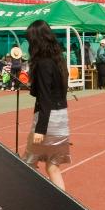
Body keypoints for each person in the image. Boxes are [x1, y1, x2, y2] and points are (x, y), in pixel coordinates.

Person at [21, 19, 71, 190]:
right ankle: (63, 205)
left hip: (46, 118)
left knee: (28, 163)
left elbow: (44, 97)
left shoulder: (42, 63)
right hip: (62, 118)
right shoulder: (59, 60)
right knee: (53, 166)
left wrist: (40, 129)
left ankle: (31, 201)